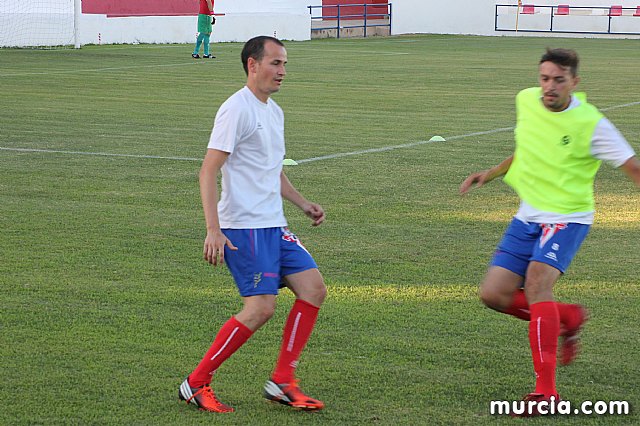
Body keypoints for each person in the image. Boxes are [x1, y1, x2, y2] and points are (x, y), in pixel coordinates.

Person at [460, 48, 640, 416]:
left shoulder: (591, 123)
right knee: (494, 295)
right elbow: (526, 147)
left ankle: (546, 394)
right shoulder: (526, 101)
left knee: (538, 283)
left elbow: (633, 167)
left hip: (568, 217)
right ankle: (568, 318)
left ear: (574, 81)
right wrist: (491, 173)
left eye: (559, 79)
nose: (549, 87)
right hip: (528, 216)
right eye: (544, 78)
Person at [178, 36, 327, 413]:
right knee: (260, 308)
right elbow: (208, 169)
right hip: (243, 228)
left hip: (274, 225)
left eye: (284, 64)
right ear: (252, 65)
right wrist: (214, 229)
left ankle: (282, 381)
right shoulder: (236, 109)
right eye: (275, 63)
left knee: (313, 289)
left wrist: (302, 202)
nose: (282, 72)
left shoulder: (274, 111)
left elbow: (271, 170)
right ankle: (196, 383)